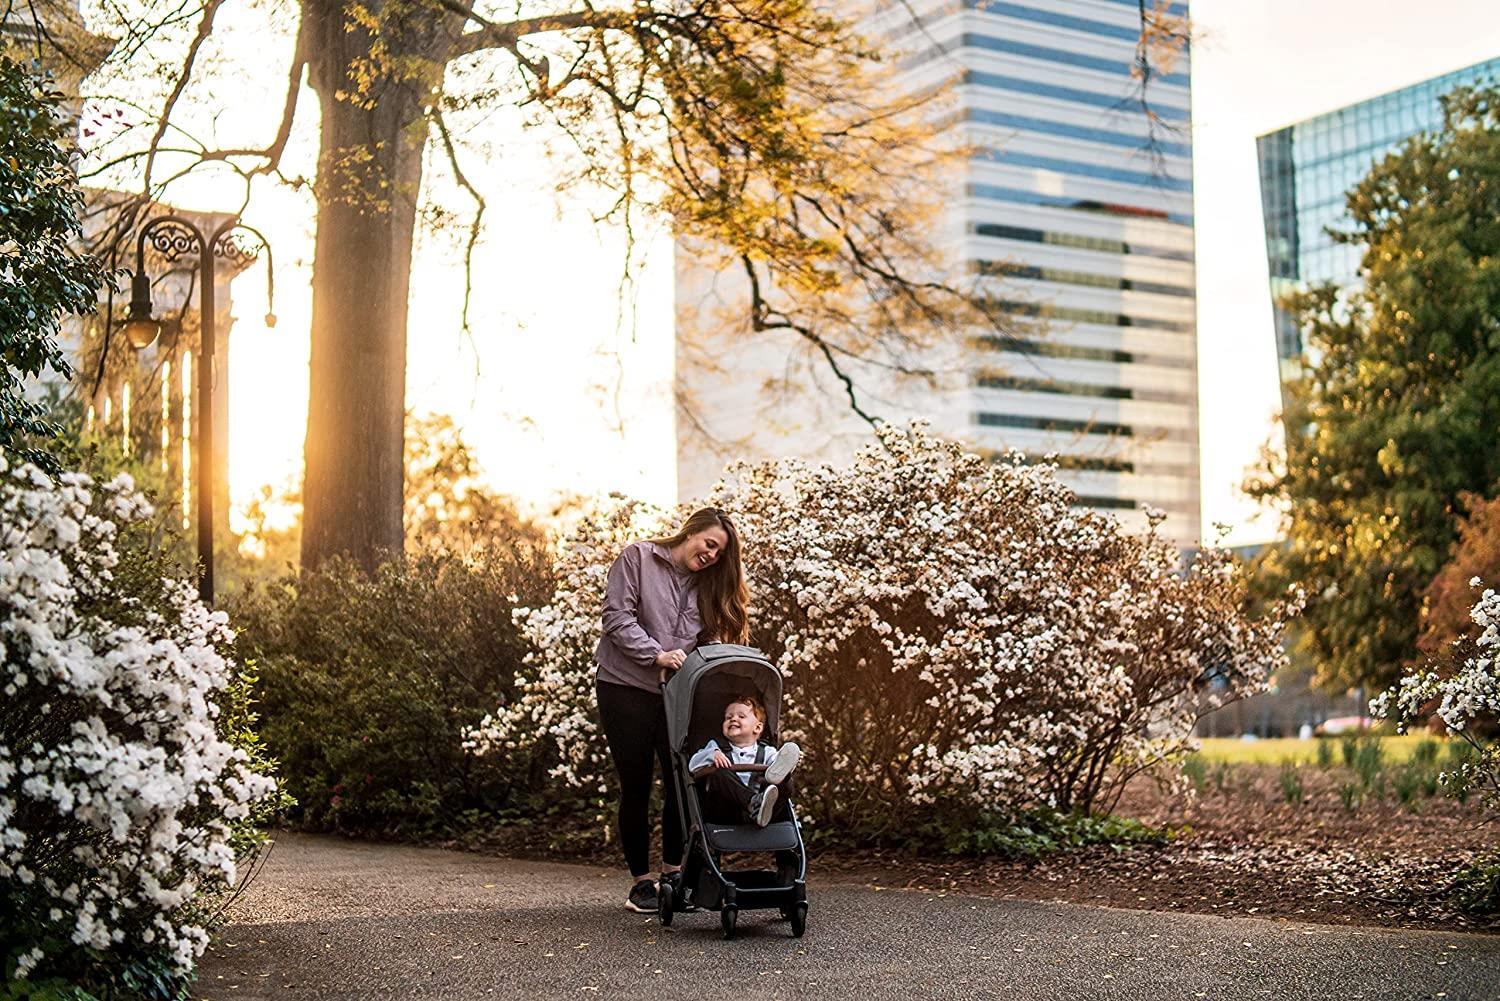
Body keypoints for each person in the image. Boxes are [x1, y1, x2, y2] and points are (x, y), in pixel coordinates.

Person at [594, 508, 750, 914]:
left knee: (683, 779)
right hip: (623, 685)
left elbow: (706, 638)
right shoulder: (638, 558)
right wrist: (656, 654)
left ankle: (673, 877)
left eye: (719, 553)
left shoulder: (706, 583)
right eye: (710, 544)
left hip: (675, 694)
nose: (712, 556)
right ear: (691, 532)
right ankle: (640, 884)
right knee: (637, 784)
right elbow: (616, 617)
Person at [688, 694, 801, 827]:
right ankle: (753, 802)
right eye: (728, 717)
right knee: (718, 773)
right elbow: (693, 765)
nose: (733, 719)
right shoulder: (715, 747)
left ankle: (761, 806)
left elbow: (777, 767)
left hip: (767, 814)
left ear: (757, 728)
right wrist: (712, 755)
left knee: (785, 781)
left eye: (741, 716)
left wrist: (786, 764)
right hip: (727, 812)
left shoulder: (767, 752)